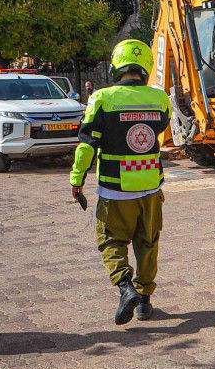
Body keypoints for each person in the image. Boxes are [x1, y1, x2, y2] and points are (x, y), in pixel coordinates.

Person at [70, 39, 172, 324]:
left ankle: (126, 288)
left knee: (111, 242)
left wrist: (77, 179)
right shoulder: (160, 98)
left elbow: (87, 145)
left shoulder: (102, 98)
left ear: (117, 64)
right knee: (147, 244)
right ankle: (144, 302)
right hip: (150, 187)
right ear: (145, 66)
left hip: (115, 190)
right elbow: (161, 127)